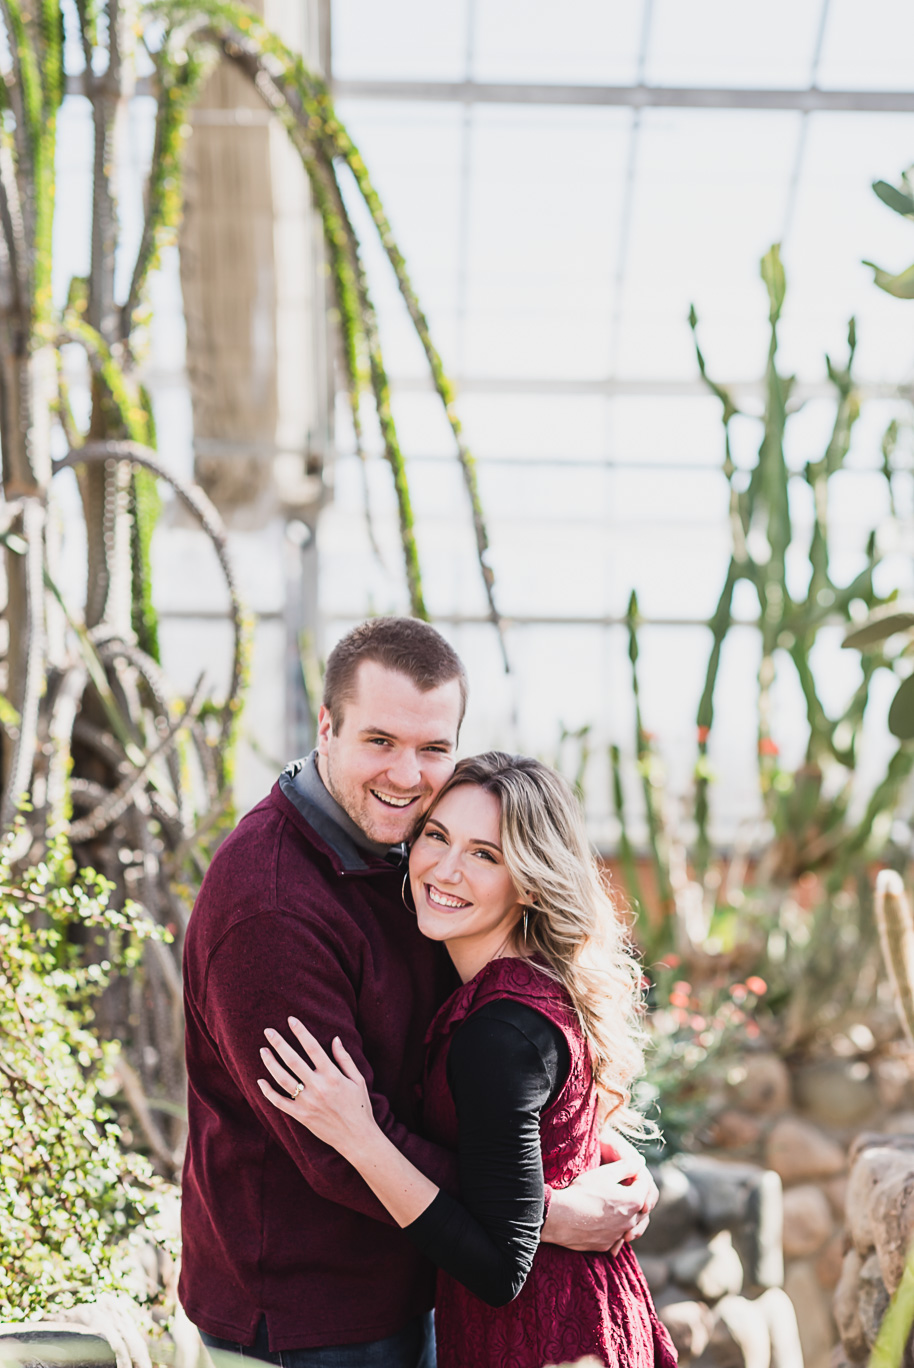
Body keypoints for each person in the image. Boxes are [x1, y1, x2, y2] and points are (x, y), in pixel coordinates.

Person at [181, 619, 658, 1368]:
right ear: (326, 729)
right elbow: (333, 1145)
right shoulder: (269, 906)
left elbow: (518, 1072)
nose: (406, 775)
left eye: (433, 749)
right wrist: (547, 1213)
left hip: (430, 1281)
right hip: (311, 1319)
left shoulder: (412, 848)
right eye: (380, 742)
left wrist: (599, 1151)